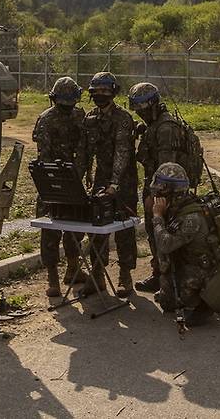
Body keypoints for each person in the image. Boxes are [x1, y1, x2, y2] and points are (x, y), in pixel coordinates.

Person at [129, 82, 201, 294]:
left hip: (166, 193)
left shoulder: (165, 129)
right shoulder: (156, 124)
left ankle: (167, 279)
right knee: (157, 234)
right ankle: (162, 273)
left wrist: (156, 197)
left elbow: (166, 170)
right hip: (162, 188)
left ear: (152, 104)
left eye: (142, 109)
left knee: (162, 232)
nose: (139, 113)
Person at [151, 162, 220, 327]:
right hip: (188, 262)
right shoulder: (178, 207)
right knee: (167, 304)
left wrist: (157, 216)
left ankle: (205, 302)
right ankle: (187, 294)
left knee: (180, 300)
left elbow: (165, 245)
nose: (157, 194)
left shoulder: (191, 218)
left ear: (172, 191)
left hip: (201, 269)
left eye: (161, 190)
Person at [82, 72, 138, 298]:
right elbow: (86, 150)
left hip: (124, 181)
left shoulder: (123, 118)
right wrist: (82, 174)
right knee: (97, 227)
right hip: (101, 178)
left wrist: (115, 184)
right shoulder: (90, 117)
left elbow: (122, 153)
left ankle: (125, 275)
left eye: (105, 91)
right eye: (96, 92)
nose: (100, 95)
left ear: (113, 92)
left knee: (124, 227)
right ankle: (97, 274)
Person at [32, 76, 88, 297]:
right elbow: (44, 156)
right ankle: (54, 277)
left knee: (71, 226)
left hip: (68, 180)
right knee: (53, 229)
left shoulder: (77, 116)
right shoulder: (47, 120)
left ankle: (72, 270)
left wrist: (77, 175)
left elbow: (84, 148)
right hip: (55, 182)